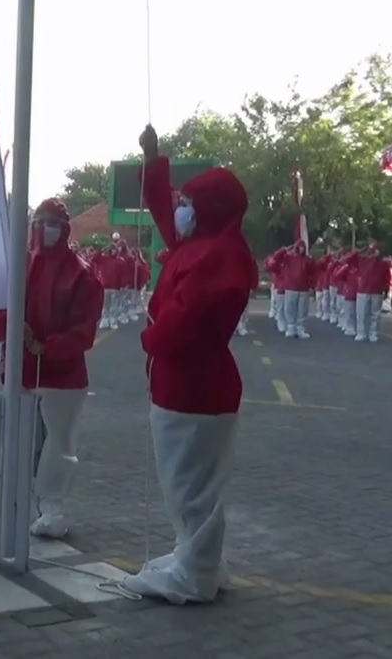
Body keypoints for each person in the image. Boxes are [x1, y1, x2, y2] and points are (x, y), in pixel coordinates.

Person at [121, 125, 258, 605]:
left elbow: (185, 321)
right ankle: (198, 558)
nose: (179, 209)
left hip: (192, 386)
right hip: (192, 384)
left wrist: (149, 336)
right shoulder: (204, 244)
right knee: (196, 483)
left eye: (189, 203)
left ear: (207, 211)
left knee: (189, 485)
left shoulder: (217, 257)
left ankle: (194, 574)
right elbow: (165, 212)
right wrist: (154, 158)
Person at [0, 198, 103, 540]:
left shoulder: (83, 272)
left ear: (64, 229)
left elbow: (85, 328)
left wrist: (48, 347)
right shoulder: (16, 266)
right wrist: (12, 329)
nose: (44, 228)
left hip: (62, 377)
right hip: (20, 369)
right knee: (20, 440)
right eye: (40, 221)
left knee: (59, 445)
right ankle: (17, 501)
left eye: (52, 222)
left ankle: (52, 508)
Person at [353, 243, 391, 343]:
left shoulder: (384, 264)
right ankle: (361, 333)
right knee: (361, 314)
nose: (374, 252)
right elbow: (347, 259)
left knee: (375, 314)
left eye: (376, 250)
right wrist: (360, 250)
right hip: (363, 290)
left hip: (377, 291)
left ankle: (372, 333)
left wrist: (386, 290)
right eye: (372, 250)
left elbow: (387, 278)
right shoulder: (363, 260)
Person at [278, 240, 314, 339]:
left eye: (303, 247)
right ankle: (291, 327)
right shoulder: (288, 258)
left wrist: (312, 286)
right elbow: (275, 259)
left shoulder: (308, 260)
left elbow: (313, 274)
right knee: (290, 308)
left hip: (303, 289)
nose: (301, 249)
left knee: (302, 309)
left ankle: (300, 328)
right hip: (291, 287)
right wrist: (283, 250)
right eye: (300, 247)